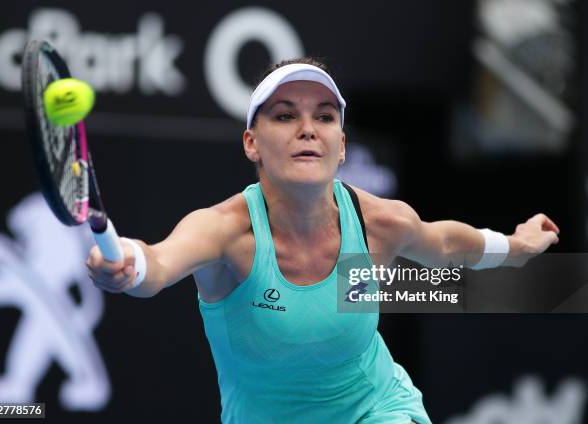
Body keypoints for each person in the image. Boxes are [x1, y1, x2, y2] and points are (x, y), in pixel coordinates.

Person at [86, 58, 560, 423]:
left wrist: (514, 247)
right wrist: (127, 262)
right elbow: (157, 264)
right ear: (252, 142)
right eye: (285, 115)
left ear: (342, 145)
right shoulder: (226, 231)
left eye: (325, 116)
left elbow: (444, 243)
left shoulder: (378, 221)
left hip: (376, 409)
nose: (308, 129)